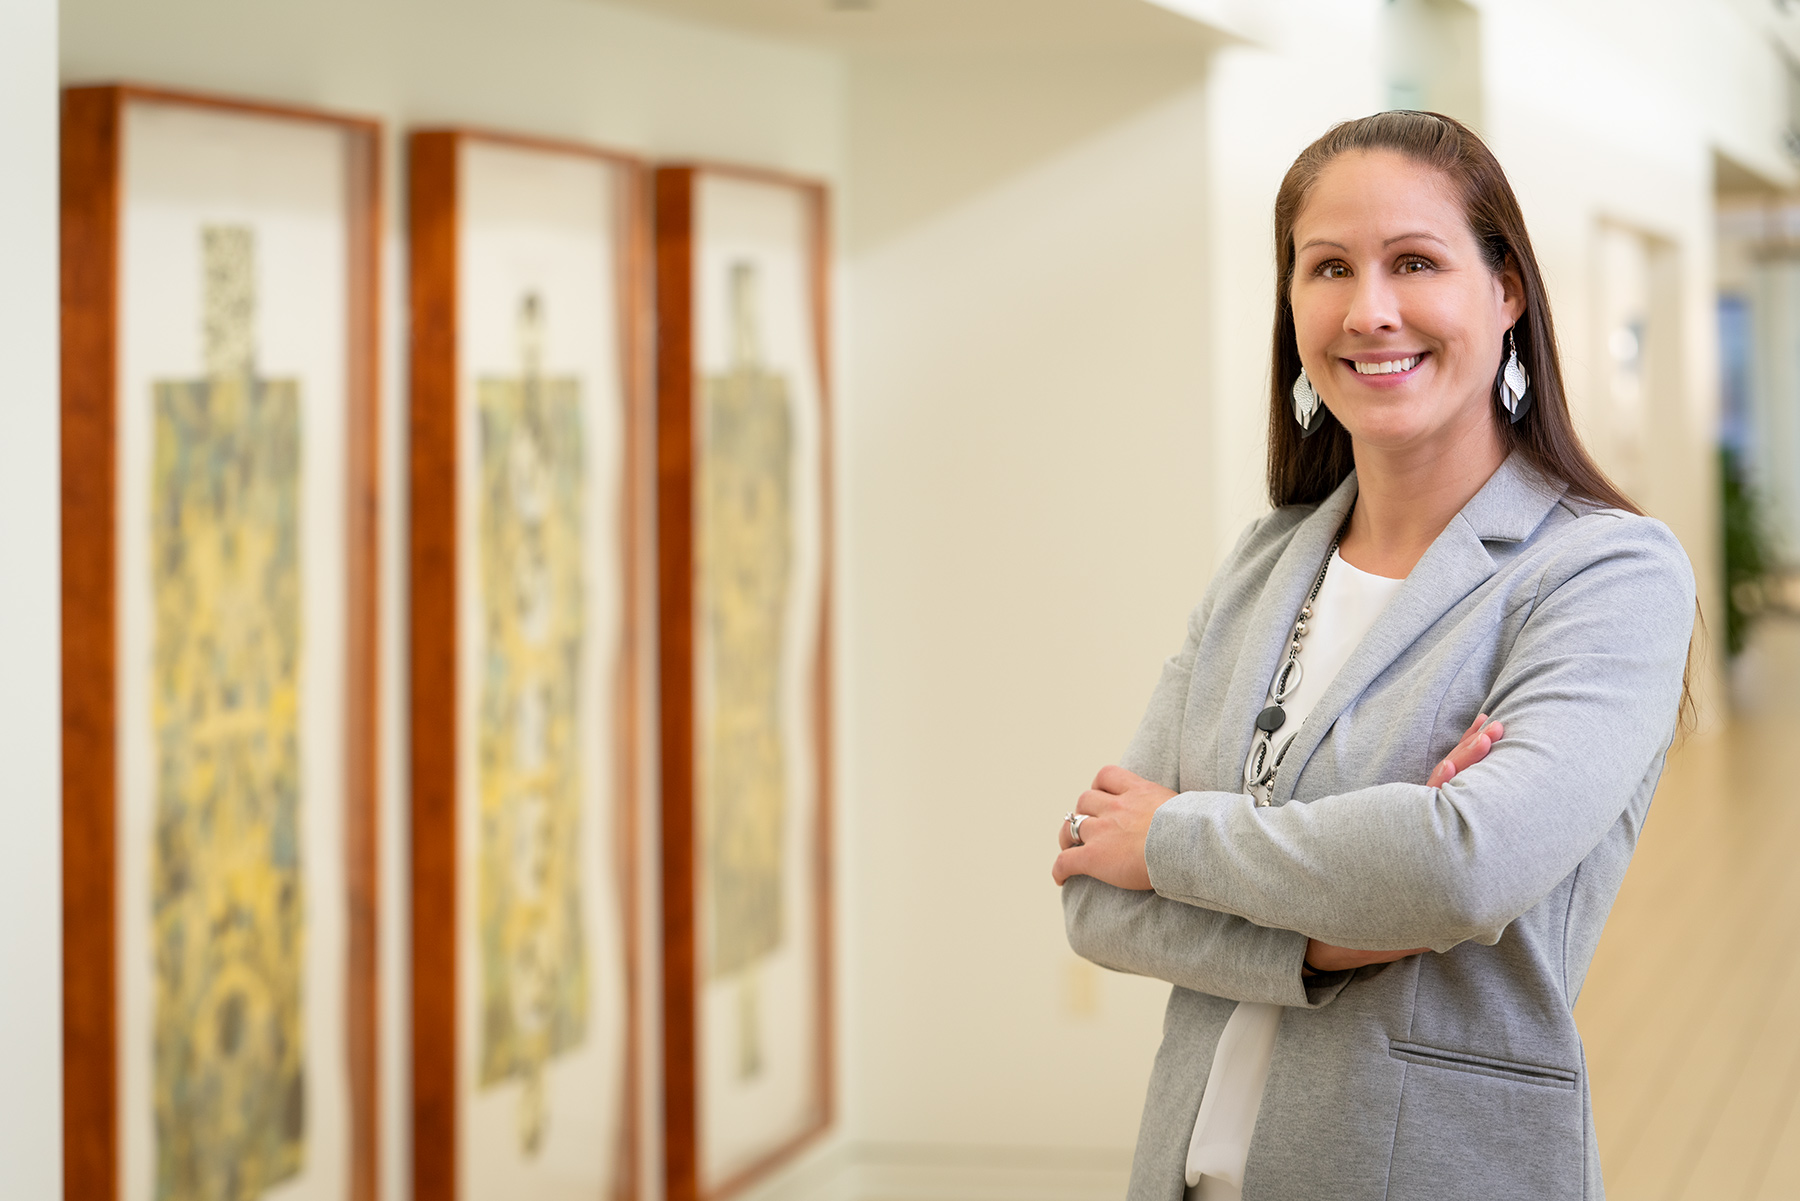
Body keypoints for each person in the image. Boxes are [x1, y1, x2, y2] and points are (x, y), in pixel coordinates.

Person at [1052, 111, 1695, 1201]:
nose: (1370, 309)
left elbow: (1457, 865)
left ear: (1506, 294)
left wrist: (1166, 836)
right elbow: (1096, 897)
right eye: (1329, 267)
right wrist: (1326, 938)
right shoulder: (1267, 562)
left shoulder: (1605, 573)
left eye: (1415, 262)